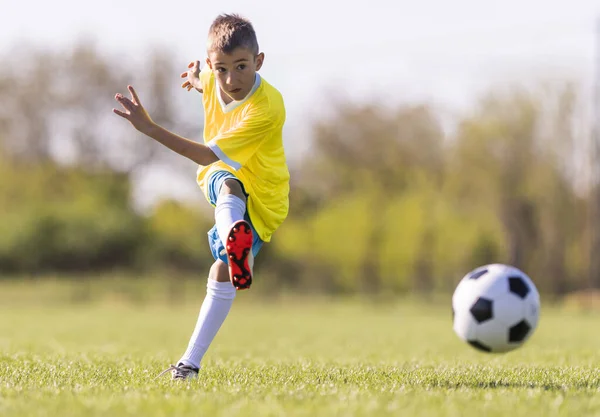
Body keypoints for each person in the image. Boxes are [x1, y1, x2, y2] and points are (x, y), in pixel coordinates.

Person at [112, 13, 290, 380]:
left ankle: (232, 238)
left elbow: (208, 155)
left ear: (258, 62)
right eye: (221, 69)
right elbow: (208, 83)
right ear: (211, 63)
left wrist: (150, 128)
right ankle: (188, 366)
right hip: (234, 194)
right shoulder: (214, 78)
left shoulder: (267, 107)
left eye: (241, 67)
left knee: (225, 185)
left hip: (265, 196)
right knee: (223, 259)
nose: (231, 79)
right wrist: (196, 80)